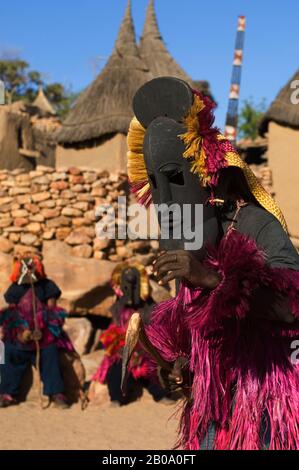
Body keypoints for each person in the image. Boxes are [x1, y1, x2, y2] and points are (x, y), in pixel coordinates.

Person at [127, 77, 299, 450]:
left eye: (176, 178)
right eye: (157, 185)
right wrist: (180, 361)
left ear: (211, 181)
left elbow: (293, 308)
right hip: (212, 404)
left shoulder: (255, 225)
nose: (167, 200)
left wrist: (211, 278)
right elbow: (195, 322)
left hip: (264, 402)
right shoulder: (189, 243)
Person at [0, 252, 73, 409]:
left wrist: (42, 330)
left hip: (44, 338)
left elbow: (52, 313)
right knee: (8, 353)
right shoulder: (15, 289)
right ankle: (7, 393)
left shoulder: (47, 286)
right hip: (20, 339)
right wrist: (22, 332)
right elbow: (13, 314)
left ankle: (56, 393)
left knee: (51, 354)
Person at [92, 261, 170, 406]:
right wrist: (121, 349)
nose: (130, 290)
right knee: (116, 369)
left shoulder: (149, 307)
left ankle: (161, 395)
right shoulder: (117, 308)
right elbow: (114, 333)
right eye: (126, 285)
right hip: (123, 352)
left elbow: (155, 332)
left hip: (146, 351)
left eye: (134, 285)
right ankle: (117, 398)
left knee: (151, 370)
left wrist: (140, 351)